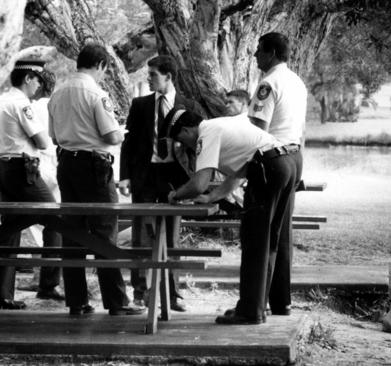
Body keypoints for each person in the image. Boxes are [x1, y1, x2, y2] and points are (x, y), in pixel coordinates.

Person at [166, 107, 301, 324]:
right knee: (273, 240)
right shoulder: (226, 123)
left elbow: (199, 183)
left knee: (255, 240)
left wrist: (176, 194)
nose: (187, 147)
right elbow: (240, 173)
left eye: (181, 141)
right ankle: (266, 304)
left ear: (185, 131)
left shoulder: (206, 134)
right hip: (289, 160)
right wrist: (213, 197)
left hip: (269, 167)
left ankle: (249, 312)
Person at [48, 44, 143, 316]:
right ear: (100, 65)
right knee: (105, 232)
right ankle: (116, 302)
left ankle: (77, 301)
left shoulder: (58, 93)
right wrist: (123, 132)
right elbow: (112, 136)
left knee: (73, 233)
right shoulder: (96, 93)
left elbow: (54, 136)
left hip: (66, 163)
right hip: (94, 165)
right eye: (105, 70)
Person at [118, 55, 204, 311]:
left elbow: (197, 144)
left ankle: (172, 292)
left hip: (173, 177)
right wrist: (125, 176)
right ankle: (140, 292)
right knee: (141, 235)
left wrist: (194, 176)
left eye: (153, 74)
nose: (149, 78)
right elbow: (129, 142)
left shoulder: (187, 104)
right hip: (144, 176)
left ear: (168, 75)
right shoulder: (140, 104)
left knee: (172, 237)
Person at [247, 32, 307, 316]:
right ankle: (281, 301)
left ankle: (252, 307)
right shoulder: (297, 82)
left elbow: (257, 128)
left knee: (259, 234)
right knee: (281, 233)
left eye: (259, 50)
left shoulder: (268, 83)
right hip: (295, 157)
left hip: (272, 159)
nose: (255, 55)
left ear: (271, 53)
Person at [0, 60, 64, 309]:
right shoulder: (20, 104)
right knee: (54, 217)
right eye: (37, 80)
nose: (39, 85)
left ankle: (4, 294)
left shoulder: (2, 99)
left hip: (4, 166)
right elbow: (42, 142)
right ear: (27, 78)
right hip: (22, 168)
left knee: (11, 225)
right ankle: (49, 284)